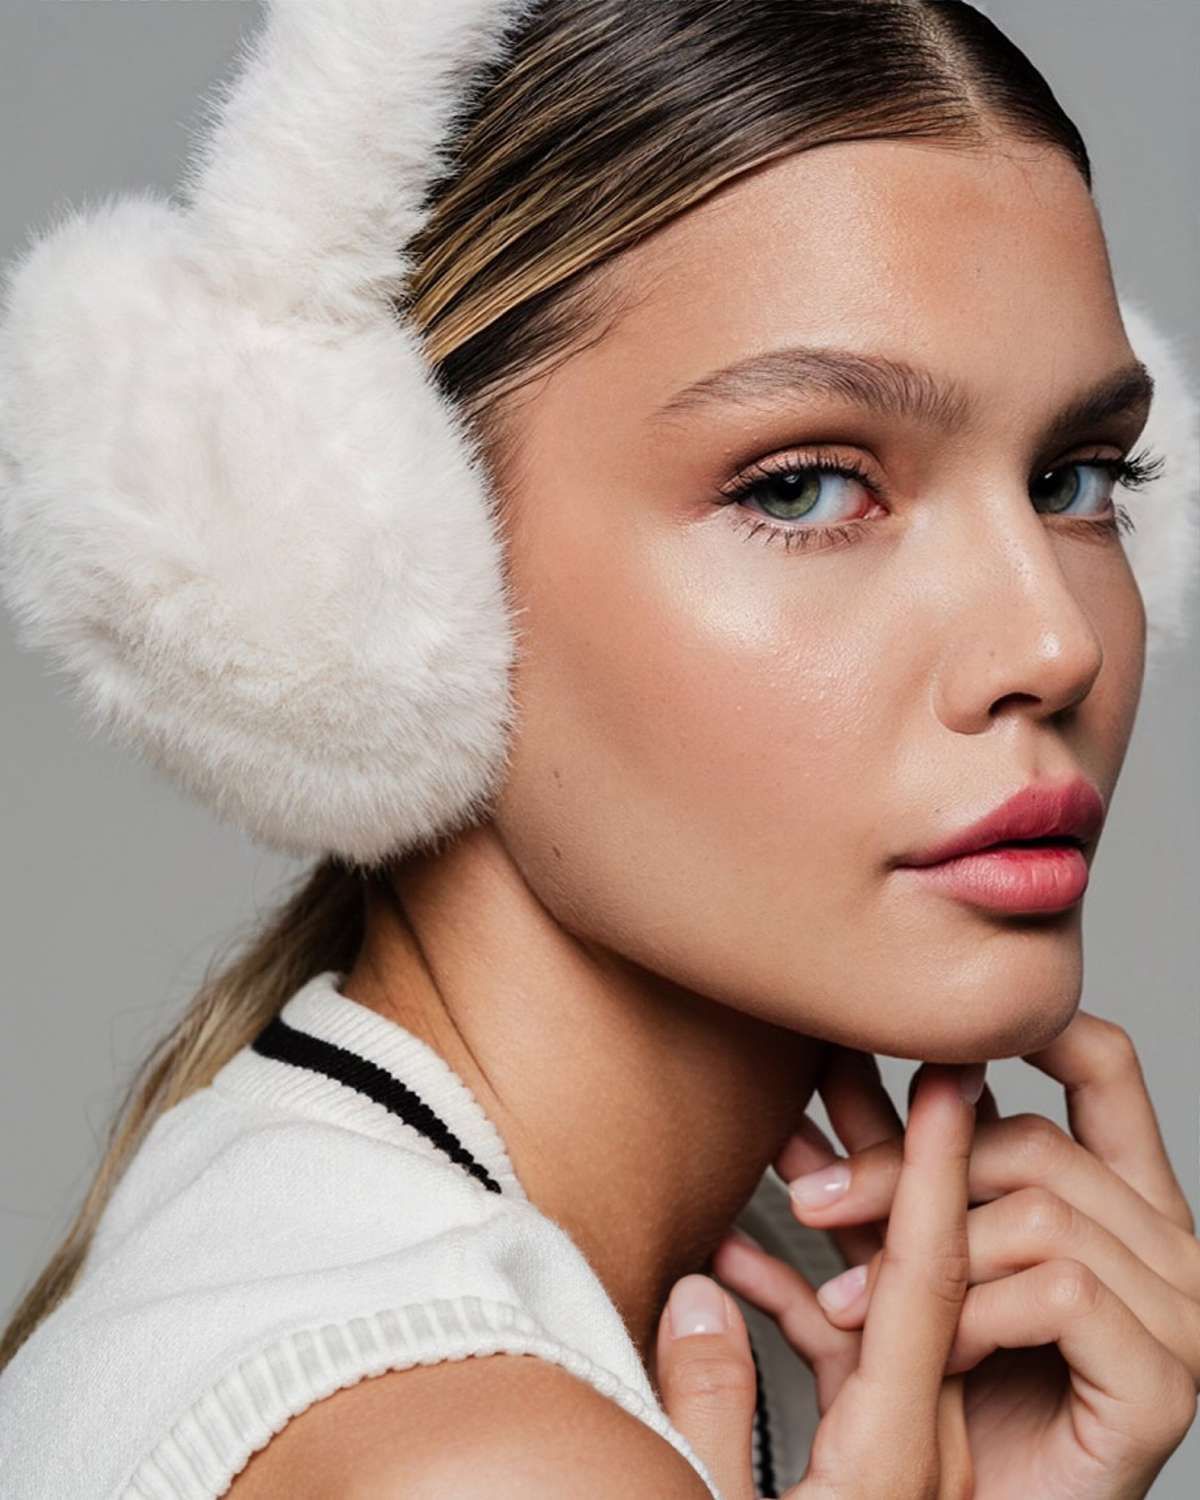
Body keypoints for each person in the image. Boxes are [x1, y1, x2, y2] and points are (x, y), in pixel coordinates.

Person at [1, 2, 1197, 1496]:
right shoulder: (476, 1455)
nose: (1055, 642)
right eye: (806, 488)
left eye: (1077, 477)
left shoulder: (772, 1317)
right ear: (387, 571)